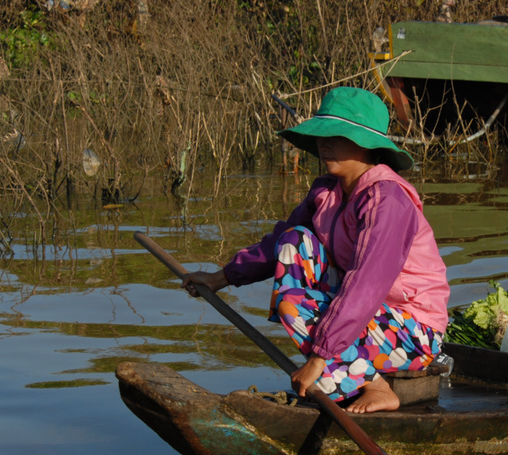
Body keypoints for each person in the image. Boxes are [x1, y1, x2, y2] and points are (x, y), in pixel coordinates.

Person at [181, 87, 450, 413]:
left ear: (366, 144)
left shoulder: (387, 200)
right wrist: (219, 278)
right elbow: (276, 245)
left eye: (337, 135)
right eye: (322, 135)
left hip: (413, 332)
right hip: (366, 317)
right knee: (293, 241)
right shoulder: (326, 192)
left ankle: (375, 386)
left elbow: (367, 284)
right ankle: (351, 373)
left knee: (296, 311)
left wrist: (321, 355)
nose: (325, 143)